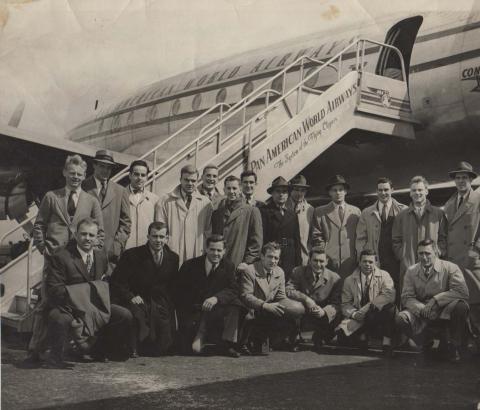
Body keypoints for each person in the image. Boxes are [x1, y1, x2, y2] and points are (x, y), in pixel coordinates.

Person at [28, 154, 104, 362]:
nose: (76, 177)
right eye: (72, 173)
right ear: (64, 173)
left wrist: (90, 252)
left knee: (77, 304)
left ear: (84, 175)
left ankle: (73, 348)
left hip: (77, 262)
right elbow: (40, 225)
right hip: (54, 258)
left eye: (80, 174)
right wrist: (44, 247)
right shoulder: (52, 197)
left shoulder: (91, 200)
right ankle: (35, 349)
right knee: (46, 302)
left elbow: (100, 231)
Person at [45, 218, 133, 367]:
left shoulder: (100, 256)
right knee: (59, 319)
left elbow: (104, 284)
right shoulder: (61, 256)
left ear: (97, 237)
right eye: (83, 234)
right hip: (69, 306)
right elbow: (54, 289)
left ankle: (98, 350)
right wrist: (82, 299)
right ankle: (56, 358)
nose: (87, 238)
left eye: (91, 235)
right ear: (76, 234)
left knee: (124, 315)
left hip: (95, 307)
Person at [110, 222, 179, 356]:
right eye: (154, 236)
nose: (158, 240)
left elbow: (172, 286)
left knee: (163, 346)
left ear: (167, 238)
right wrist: (131, 296)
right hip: (138, 298)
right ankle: (133, 347)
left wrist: (168, 303)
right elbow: (118, 282)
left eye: (161, 237)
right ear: (148, 236)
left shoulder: (173, 258)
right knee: (139, 316)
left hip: (159, 302)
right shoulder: (132, 255)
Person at [396, 240, 470, 362]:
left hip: (445, 308)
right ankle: (424, 342)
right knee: (401, 318)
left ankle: (453, 346)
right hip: (422, 310)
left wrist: (436, 300)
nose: (424, 257)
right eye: (420, 253)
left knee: (461, 306)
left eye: (427, 253)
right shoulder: (411, 270)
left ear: (436, 252)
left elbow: (462, 292)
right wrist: (421, 308)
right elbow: (406, 297)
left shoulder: (450, 267)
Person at [174, 235, 242, 357]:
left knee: (235, 305)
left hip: (216, 311)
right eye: (212, 249)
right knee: (195, 350)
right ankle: (205, 340)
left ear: (224, 251)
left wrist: (216, 298)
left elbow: (234, 289)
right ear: (206, 249)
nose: (216, 253)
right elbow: (179, 294)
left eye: (219, 250)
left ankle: (227, 344)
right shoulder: (190, 266)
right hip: (195, 313)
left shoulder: (229, 266)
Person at [238, 242, 304, 354]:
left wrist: (294, 307)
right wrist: (265, 305)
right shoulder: (250, 270)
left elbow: (281, 297)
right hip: (252, 309)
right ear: (262, 256)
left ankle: (287, 339)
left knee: (297, 308)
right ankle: (245, 341)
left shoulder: (279, 272)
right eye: (269, 257)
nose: (273, 261)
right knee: (257, 350)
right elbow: (246, 296)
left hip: (268, 310)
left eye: (276, 258)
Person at [356, 177, 407, 299]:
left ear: (392, 190)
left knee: (397, 291)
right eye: (380, 190)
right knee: (376, 293)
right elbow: (360, 239)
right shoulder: (367, 213)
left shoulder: (403, 210)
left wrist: (403, 256)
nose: (383, 193)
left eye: (386, 189)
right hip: (376, 260)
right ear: (376, 191)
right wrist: (364, 259)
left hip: (396, 260)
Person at [392, 176, 447, 288]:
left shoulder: (438, 214)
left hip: (432, 265)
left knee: (433, 299)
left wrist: (437, 254)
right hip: (409, 265)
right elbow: (395, 240)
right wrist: (403, 256)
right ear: (410, 193)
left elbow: (443, 237)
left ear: (426, 191)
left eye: (420, 190)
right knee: (409, 299)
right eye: (414, 190)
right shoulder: (401, 216)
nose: (417, 193)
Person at [339, 249, 396, 356]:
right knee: (341, 337)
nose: (367, 264)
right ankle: (362, 336)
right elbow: (345, 304)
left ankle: (386, 343)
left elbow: (389, 295)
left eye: (371, 262)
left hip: (377, 314)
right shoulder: (349, 280)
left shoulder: (384, 275)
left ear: (376, 263)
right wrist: (354, 314)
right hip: (359, 316)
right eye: (364, 261)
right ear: (359, 262)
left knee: (391, 308)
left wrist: (366, 309)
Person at [155, 164, 213, 265]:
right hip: (172, 251)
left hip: (196, 252)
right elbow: (159, 230)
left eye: (193, 181)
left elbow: (208, 231)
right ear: (180, 179)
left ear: (198, 181)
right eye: (186, 180)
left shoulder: (205, 203)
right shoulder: (165, 201)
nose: (190, 183)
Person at [286, 247, 342, 352]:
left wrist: (324, 312)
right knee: (293, 307)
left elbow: (336, 302)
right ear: (309, 260)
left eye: (321, 261)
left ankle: (321, 337)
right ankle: (295, 336)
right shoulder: (298, 271)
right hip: (303, 310)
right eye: (315, 260)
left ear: (327, 261)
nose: (318, 264)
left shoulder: (335, 278)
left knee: (337, 313)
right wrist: (306, 299)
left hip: (320, 312)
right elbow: (288, 290)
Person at [82, 149, 131, 266]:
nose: (106, 171)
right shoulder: (82, 187)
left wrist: (117, 245)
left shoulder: (120, 191)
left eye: (109, 168)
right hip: (85, 249)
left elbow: (126, 222)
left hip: (111, 254)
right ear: (94, 165)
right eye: (102, 166)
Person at [311, 175, 361, 278]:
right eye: (334, 190)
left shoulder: (356, 212)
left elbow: (360, 236)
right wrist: (324, 256)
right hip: (329, 262)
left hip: (350, 261)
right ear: (329, 192)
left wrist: (357, 257)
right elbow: (317, 236)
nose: (338, 193)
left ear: (345, 191)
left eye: (341, 190)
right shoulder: (320, 212)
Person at [211, 175, 263, 268]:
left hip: (239, 266)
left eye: (234, 188)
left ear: (240, 189)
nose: (231, 192)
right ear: (224, 190)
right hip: (219, 264)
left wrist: (247, 262)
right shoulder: (218, 213)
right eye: (228, 188)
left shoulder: (251, 211)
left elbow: (256, 243)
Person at [260, 177, 301, 280]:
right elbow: (261, 238)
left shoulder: (292, 214)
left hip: (289, 257)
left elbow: (297, 240)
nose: (281, 194)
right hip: (272, 256)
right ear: (272, 194)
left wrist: (298, 262)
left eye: (284, 192)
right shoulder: (264, 212)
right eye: (277, 191)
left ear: (288, 194)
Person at [124, 160, 159, 250]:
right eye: (136, 174)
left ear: (147, 177)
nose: (139, 178)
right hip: (125, 249)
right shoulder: (120, 195)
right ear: (130, 175)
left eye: (143, 175)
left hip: (146, 250)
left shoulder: (154, 199)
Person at [286, 175, 314, 265]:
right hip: (285, 257)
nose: (299, 193)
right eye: (296, 190)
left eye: (302, 190)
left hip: (304, 258)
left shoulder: (310, 210)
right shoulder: (283, 207)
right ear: (290, 190)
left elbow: (312, 235)